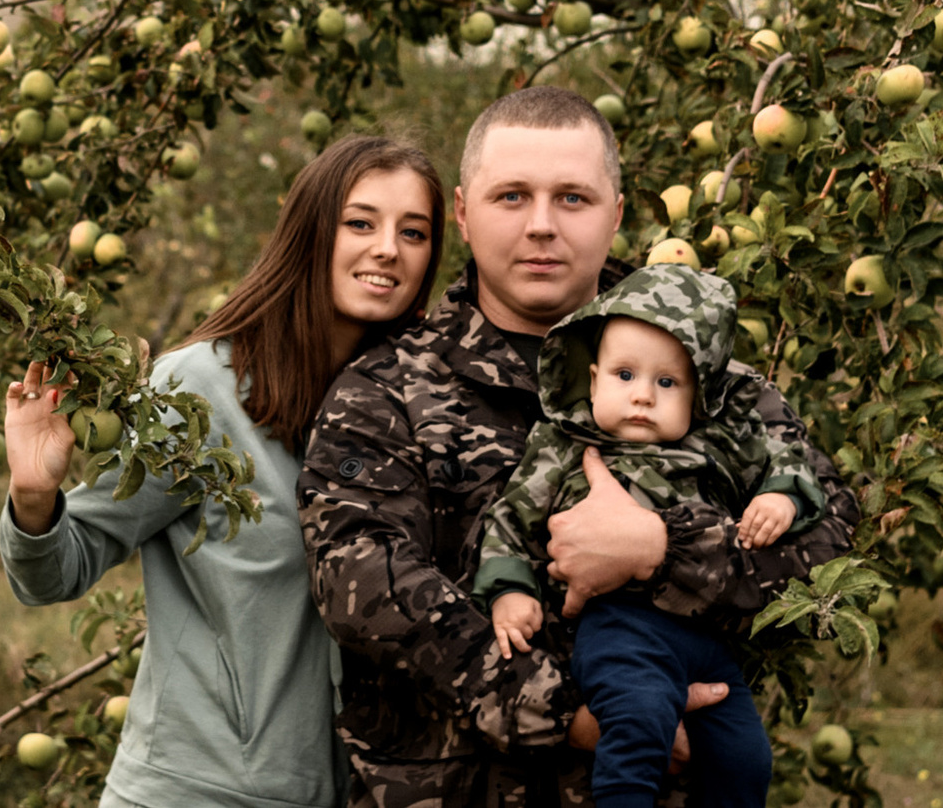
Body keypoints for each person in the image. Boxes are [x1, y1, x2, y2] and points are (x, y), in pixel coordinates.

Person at [299, 85, 859, 808]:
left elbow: (831, 541)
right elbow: (363, 584)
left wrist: (663, 549)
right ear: (464, 215)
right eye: (510, 198)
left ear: (617, 215)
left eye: (572, 198)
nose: (540, 226)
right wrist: (570, 717)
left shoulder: (709, 380)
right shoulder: (387, 387)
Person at [0, 136, 449, 808]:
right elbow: (60, 569)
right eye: (361, 222)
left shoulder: (415, 408)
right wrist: (36, 496)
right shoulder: (199, 390)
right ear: (311, 232)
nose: (388, 247)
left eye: (413, 232)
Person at [476, 267, 832, 808]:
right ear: (593, 380)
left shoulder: (717, 442)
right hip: (622, 629)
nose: (642, 396)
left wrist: (780, 496)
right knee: (639, 727)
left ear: (697, 395)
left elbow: (788, 459)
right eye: (624, 376)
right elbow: (511, 519)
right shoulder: (566, 443)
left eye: (666, 383)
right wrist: (510, 590)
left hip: (707, 638)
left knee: (746, 759)